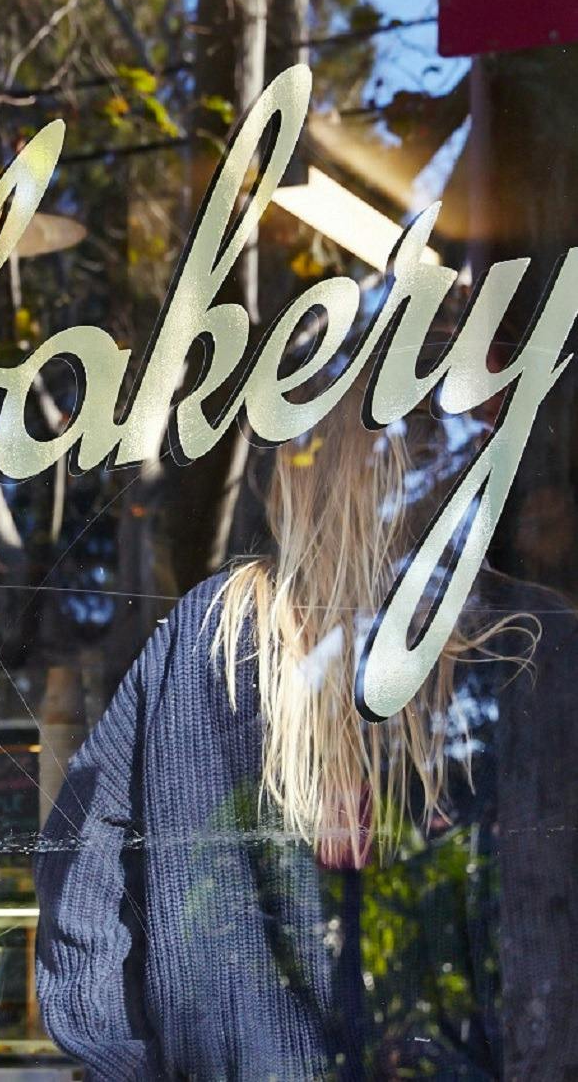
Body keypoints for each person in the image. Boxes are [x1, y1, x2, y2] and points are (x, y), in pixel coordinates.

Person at [34, 394, 578, 1078]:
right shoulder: (528, 636)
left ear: (289, 478)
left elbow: (79, 877)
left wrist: (141, 1064)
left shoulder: (207, 632)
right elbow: (545, 930)